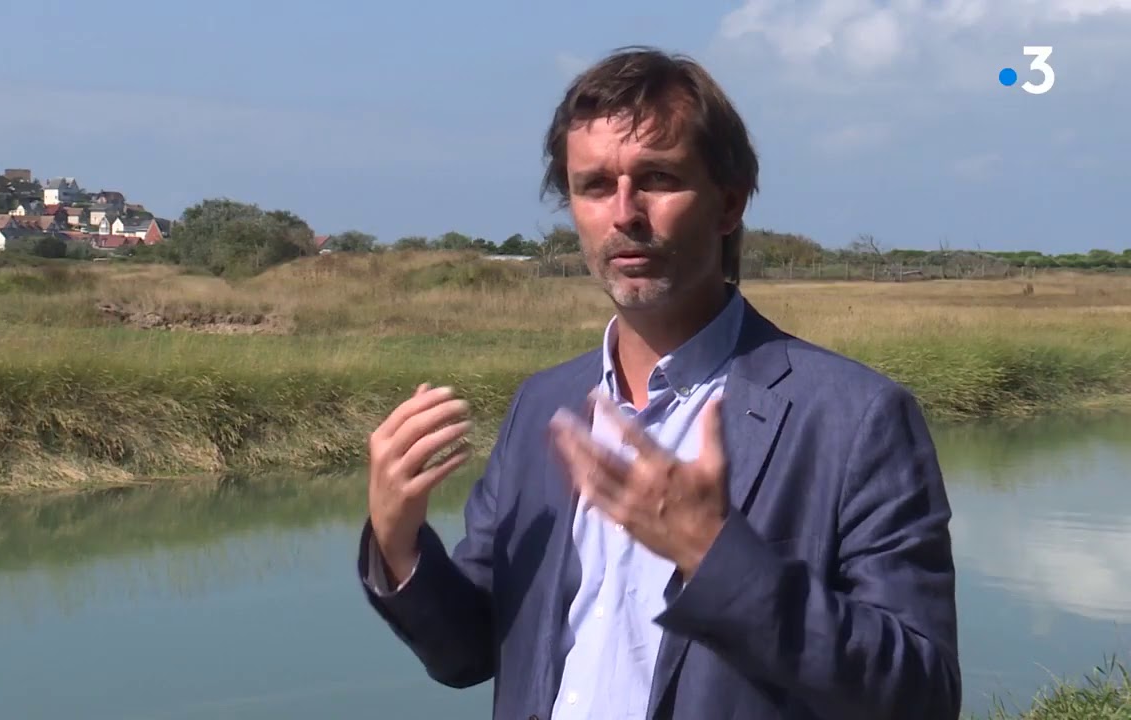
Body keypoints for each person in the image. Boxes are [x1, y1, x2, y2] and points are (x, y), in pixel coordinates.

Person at [357, 45, 961, 720]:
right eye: (593, 186)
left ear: (728, 203)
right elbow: (468, 651)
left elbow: (921, 694)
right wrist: (397, 541)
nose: (624, 212)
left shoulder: (856, 419)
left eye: (658, 178)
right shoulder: (543, 407)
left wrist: (718, 558)